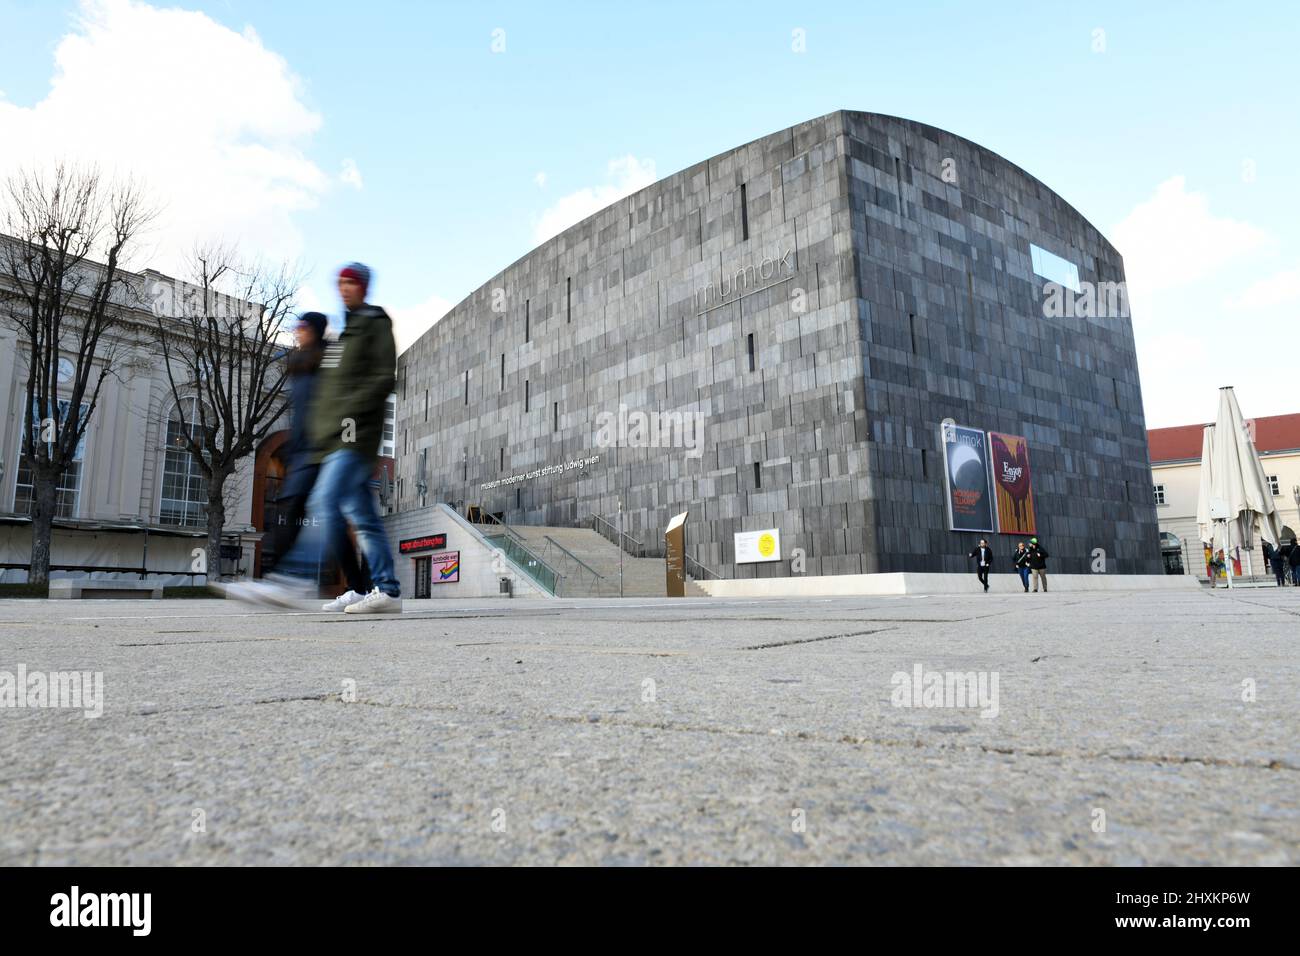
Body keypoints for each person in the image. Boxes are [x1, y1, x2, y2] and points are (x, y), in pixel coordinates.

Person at [232, 263, 402, 614]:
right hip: (335, 439)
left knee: (323, 502)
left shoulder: (374, 323)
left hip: (355, 435)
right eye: (340, 283)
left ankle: (291, 580)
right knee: (363, 518)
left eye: (351, 283)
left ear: (364, 287)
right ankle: (382, 590)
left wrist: (350, 416)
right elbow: (330, 390)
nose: (344, 288)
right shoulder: (345, 335)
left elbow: (383, 377)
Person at [258, 311, 371, 612]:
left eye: (303, 327)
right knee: (294, 507)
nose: (297, 331)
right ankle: (350, 587)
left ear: (316, 330)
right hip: (305, 450)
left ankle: (288, 581)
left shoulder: (331, 359)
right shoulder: (297, 363)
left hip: (328, 448)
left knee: (324, 514)